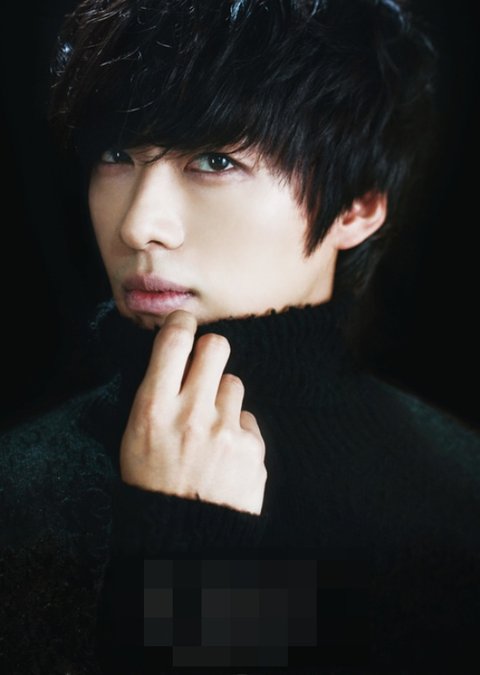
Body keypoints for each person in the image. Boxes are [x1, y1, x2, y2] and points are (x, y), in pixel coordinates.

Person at [1, 0, 479, 673]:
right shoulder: (23, 490)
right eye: (116, 154)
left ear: (358, 205)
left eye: (216, 160)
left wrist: (189, 551)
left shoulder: (458, 493)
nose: (138, 225)